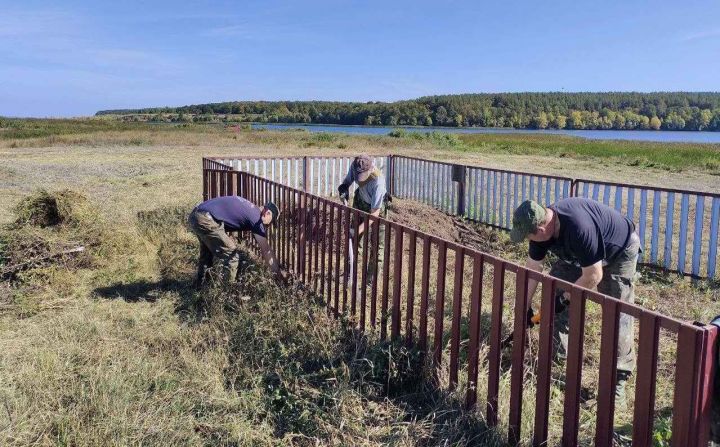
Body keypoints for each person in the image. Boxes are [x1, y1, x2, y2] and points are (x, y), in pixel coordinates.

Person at [509, 197, 640, 404]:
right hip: (579, 255)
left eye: (527, 237)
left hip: (618, 250)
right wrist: (524, 306)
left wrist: (566, 299)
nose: (528, 241)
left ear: (541, 231)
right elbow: (533, 269)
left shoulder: (579, 228)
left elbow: (593, 275)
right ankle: (556, 362)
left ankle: (617, 381)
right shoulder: (542, 229)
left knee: (617, 314)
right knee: (552, 296)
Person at [188, 196, 281, 286]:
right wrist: (277, 274)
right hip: (206, 219)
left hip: (197, 214)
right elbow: (266, 250)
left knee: (207, 253)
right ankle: (227, 291)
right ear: (267, 213)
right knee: (232, 255)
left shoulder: (251, 209)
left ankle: (200, 285)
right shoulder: (255, 218)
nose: (269, 225)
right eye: (271, 221)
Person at [337, 154, 389, 282]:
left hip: (377, 209)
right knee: (354, 242)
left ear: (371, 169)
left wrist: (357, 230)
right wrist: (344, 188)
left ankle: (371, 280)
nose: (360, 180)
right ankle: (349, 274)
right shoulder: (356, 166)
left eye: (363, 176)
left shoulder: (378, 181)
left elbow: (374, 214)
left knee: (377, 246)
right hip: (360, 202)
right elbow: (348, 181)